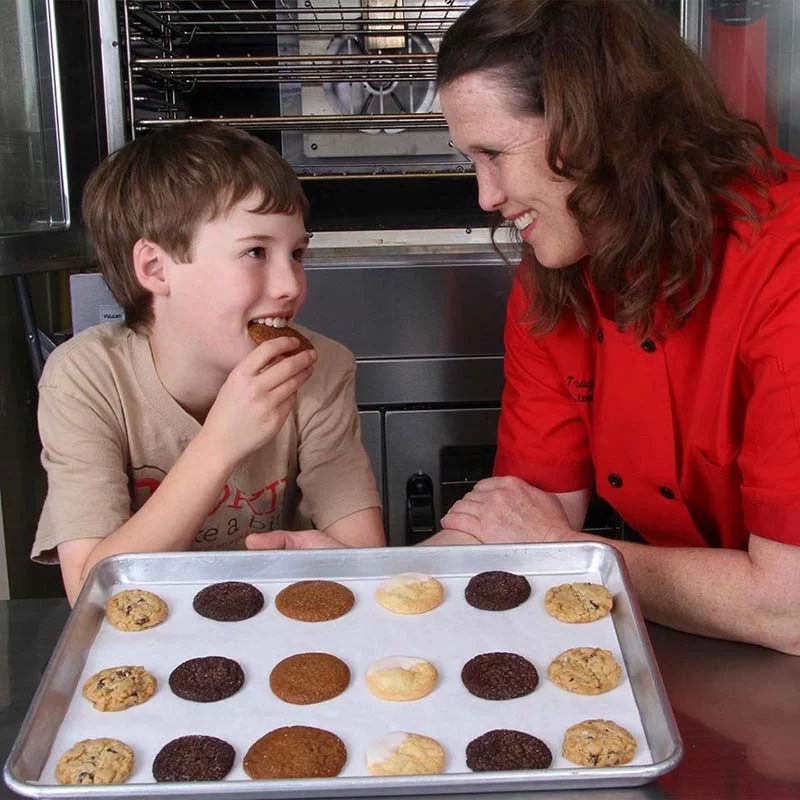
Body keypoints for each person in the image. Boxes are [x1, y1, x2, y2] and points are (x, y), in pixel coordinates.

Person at [424, 0, 800, 655]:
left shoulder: (784, 264)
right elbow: (518, 519)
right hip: (708, 644)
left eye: (494, 154)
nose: (485, 196)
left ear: (594, 129)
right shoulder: (557, 273)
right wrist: (352, 583)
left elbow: (790, 607)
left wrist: (567, 551)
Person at [31, 122, 384, 604]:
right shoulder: (86, 379)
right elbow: (92, 594)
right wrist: (220, 444)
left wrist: (341, 563)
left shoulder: (319, 368)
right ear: (155, 268)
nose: (290, 284)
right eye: (256, 251)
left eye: (297, 252)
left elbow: (365, 556)